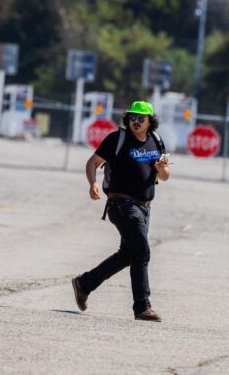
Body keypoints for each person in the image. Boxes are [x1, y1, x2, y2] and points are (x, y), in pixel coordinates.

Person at [72, 101, 170, 322]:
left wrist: (163, 170)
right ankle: (142, 307)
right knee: (142, 251)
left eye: (140, 118)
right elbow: (92, 162)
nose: (135, 121)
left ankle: (84, 283)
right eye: (132, 117)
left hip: (145, 207)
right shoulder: (118, 139)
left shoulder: (156, 141)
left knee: (128, 254)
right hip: (121, 203)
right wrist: (92, 183)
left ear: (149, 121)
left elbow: (164, 176)